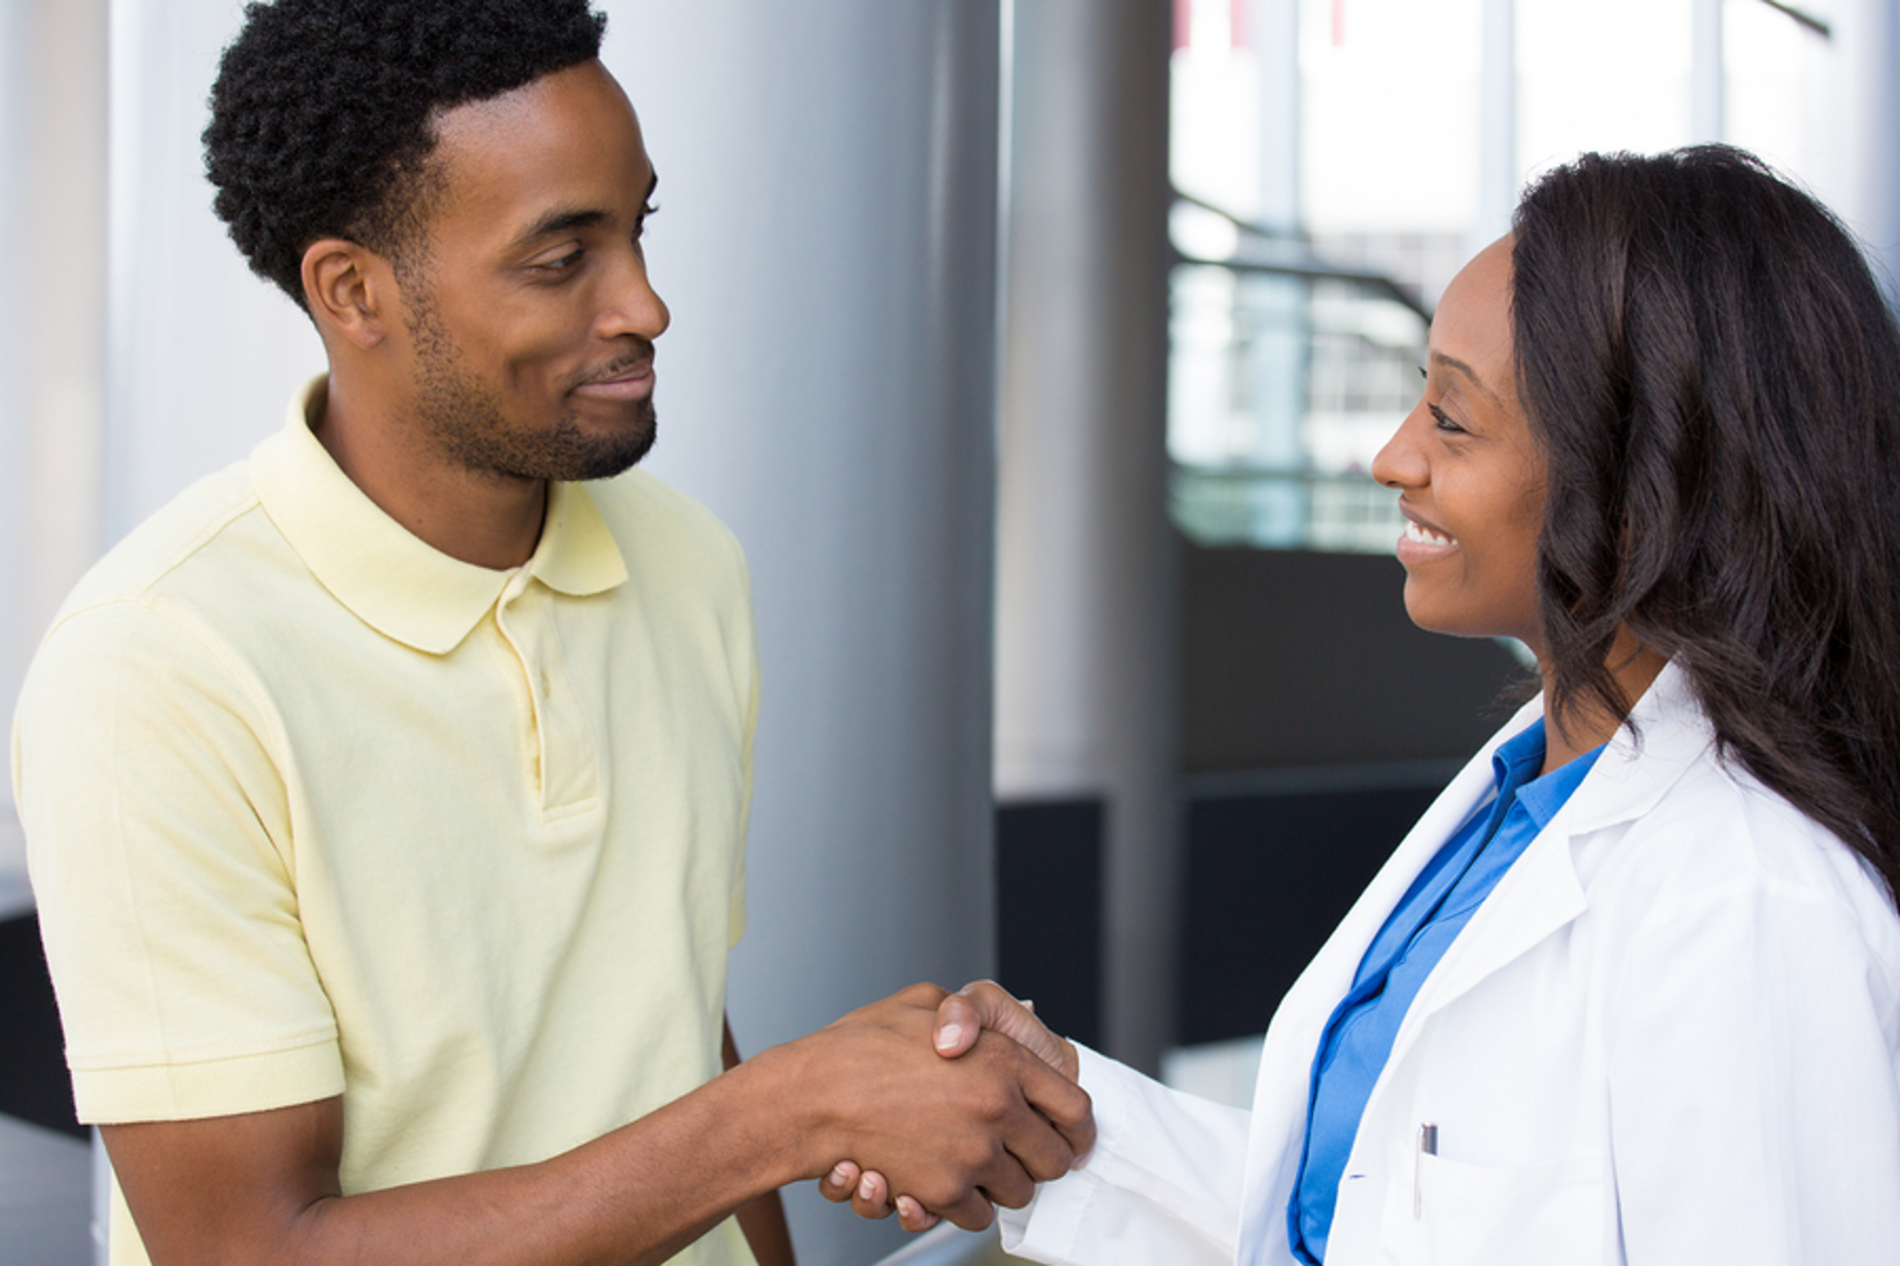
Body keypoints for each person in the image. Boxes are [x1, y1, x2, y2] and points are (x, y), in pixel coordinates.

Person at [9, 3, 1090, 1265]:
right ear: (353, 290)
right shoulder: (156, 667)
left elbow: (677, 1030)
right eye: (560, 258)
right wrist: (790, 1112)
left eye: (638, 228)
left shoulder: (686, 565)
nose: (646, 304)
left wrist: (813, 1107)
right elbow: (251, 1249)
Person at [834, 146, 1900, 1263]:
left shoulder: (1753, 901)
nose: (1391, 456)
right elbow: (1354, 1212)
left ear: (1643, 493)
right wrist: (1048, 1109)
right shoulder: (1524, 788)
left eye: (1450, 417)